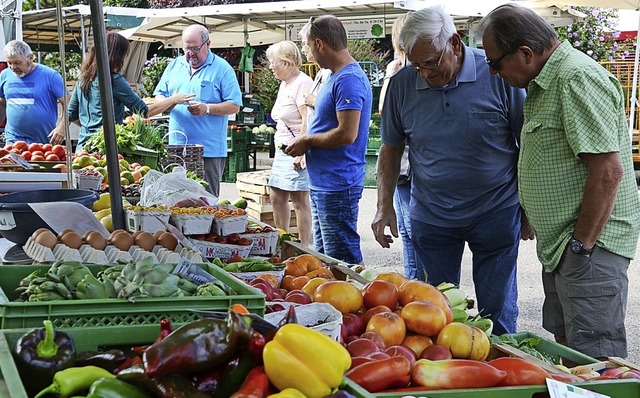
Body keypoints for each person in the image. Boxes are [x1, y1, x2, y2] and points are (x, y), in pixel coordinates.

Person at [478, 4, 640, 358]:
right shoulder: (546, 82)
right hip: (566, 248)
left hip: (588, 247)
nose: (492, 72)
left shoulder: (574, 78)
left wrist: (581, 246)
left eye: (495, 62)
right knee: (569, 352)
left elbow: (608, 172)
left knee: (595, 361)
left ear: (525, 53)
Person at [371, 6, 526, 336]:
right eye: (417, 65)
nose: (425, 74)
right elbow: (390, 149)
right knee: (432, 315)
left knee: (497, 313)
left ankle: (500, 376)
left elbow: (526, 142)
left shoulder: (499, 74)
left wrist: (529, 207)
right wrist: (384, 206)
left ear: (455, 43)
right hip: (432, 217)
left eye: (431, 63)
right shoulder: (402, 85)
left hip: (495, 212)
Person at [285, 15, 373, 265]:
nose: (306, 51)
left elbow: (347, 133)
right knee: (325, 259)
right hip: (325, 182)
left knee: (341, 261)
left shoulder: (348, 80)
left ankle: (351, 301)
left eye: (306, 44)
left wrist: (308, 141)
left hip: (338, 184)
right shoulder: (334, 76)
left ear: (320, 44)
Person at [154, 24, 243, 198]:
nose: (190, 53)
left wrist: (207, 108)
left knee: (206, 200)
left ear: (208, 44)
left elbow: (234, 105)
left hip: (208, 151)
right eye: (186, 48)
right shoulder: (175, 65)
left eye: (195, 48)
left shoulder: (222, 69)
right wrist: (169, 103)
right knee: (175, 199)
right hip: (177, 148)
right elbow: (158, 94)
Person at [68, 32, 194, 152]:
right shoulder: (114, 80)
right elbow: (145, 111)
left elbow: (71, 115)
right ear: (117, 55)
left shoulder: (84, 80)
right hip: (103, 150)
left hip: (82, 148)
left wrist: (89, 127)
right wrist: (174, 99)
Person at [377, 12, 417, 280]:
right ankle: (415, 281)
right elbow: (387, 116)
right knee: (410, 230)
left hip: (410, 165)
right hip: (406, 165)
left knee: (412, 230)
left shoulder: (399, 71)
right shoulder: (397, 72)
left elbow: (383, 113)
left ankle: (416, 281)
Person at [265, 41, 313, 246]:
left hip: (296, 150)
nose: (270, 66)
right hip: (282, 149)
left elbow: (307, 119)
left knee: (299, 199)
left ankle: (303, 247)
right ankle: (283, 242)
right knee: (276, 196)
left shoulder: (303, 83)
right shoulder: (284, 84)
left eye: (272, 62)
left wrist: (301, 152)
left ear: (286, 63)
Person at [0, 40, 68, 145]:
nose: (13, 67)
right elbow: (2, 103)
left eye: (17, 63)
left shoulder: (50, 76)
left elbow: (69, 104)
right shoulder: (4, 75)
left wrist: (62, 127)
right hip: (12, 142)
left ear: (30, 58)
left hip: (44, 143)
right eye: (10, 63)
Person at [298, 23, 331, 134]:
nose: (302, 50)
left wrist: (314, 101)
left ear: (318, 44)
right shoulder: (321, 72)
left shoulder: (330, 73)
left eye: (304, 44)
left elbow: (337, 110)